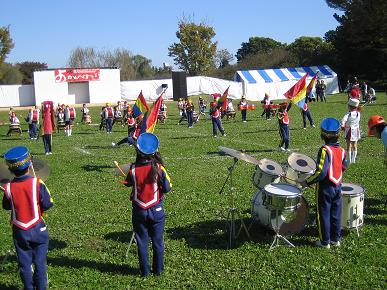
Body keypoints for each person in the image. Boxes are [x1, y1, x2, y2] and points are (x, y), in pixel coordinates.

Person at [2, 146, 54, 289]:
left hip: (19, 232)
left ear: (10, 169)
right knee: (40, 264)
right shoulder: (37, 183)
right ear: (30, 165)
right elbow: (48, 204)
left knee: (24, 265)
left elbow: (6, 206)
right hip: (38, 229)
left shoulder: (8, 188)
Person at [123, 133, 172, 276]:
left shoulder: (132, 169)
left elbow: (128, 183)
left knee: (142, 242)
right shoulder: (159, 168)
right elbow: (167, 188)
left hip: (139, 210)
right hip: (156, 210)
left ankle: (145, 272)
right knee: (158, 242)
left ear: (138, 150)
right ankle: (158, 270)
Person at [300, 118, 347, 248]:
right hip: (338, 186)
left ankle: (324, 241)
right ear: (338, 134)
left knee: (323, 213)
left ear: (323, 134)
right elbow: (344, 166)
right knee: (336, 212)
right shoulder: (342, 150)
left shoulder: (325, 150)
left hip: (325, 187)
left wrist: (307, 181)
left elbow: (321, 172)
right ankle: (335, 239)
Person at [341, 98, 361, 164]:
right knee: (355, 145)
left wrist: (343, 125)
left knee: (348, 145)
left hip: (349, 131)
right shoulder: (358, 114)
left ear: (349, 106)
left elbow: (343, 121)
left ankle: (349, 160)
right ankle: (353, 160)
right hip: (356, 130)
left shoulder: (348, 114)